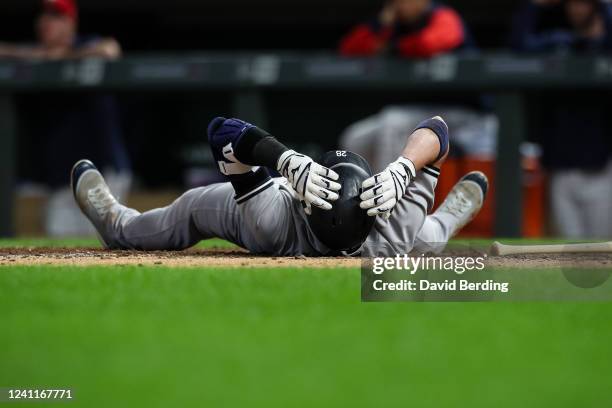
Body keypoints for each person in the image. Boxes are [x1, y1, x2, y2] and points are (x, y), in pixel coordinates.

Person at [70, 116, 488, 257]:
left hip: (273, 211)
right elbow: (437, 132)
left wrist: (283, 160)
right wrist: (402, 167)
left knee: (192, 210)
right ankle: (449, 218)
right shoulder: (389, 234)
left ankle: (116, 224)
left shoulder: (274, 224)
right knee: (423, 238)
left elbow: (220, 131)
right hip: (308, 211)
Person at [0, 0, 131, 237]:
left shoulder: (86, 46)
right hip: (61, 179)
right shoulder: (36, 56)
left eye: (56, 16)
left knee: (108, 241)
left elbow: (111, 49)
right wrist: (41, 56)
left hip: (103, 172)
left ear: (71, 22)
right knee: (62, 243)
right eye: (45, 15)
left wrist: (63, 58)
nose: (46, 21)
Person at [512, 0, 612, 238]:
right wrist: (535, 6)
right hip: (561, 168)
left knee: (604, 254)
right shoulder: (559, 42)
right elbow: (517, 46)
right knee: (570, 258)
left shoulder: (604, 45)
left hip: (602, 168)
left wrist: (605, 8)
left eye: (584, 3)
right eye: (573, 3)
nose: (577, 8)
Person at [339, 0, 472, 58]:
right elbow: (349, 48)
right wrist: (380, 24)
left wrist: (393, 48)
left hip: (465, 105)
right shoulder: (391, 24)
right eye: (397, 1)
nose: (402, 5)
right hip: (415, 104)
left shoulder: (443, 15)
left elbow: (426, 44)